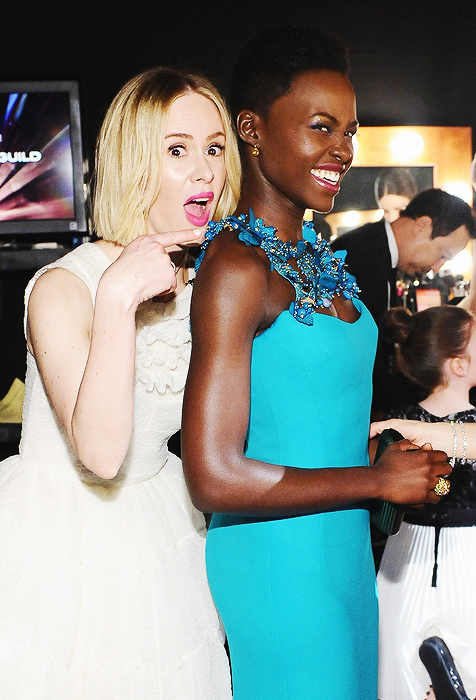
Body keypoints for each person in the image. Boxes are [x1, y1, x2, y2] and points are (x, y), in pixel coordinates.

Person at [180, 25, 450, 700]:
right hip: (279, 565)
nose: (343, 151)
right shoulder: (236, 268)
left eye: (349, 132)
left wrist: (382, 457)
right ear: (252, 129)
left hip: (342, 556)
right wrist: (375, 480)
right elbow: (212, 476)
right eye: (321, 127)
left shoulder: (319, 259)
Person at [0, 67, 241, 699]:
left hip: (160, 525)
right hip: (54, 544)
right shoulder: (64, 286)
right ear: (132, 161)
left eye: (214, 148)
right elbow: (98, 455)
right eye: (176, 150)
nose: (204, 171)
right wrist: (118, 295)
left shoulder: (207, 281)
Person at [376, 305, 476, 700]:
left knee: (398, 658)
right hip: (465, 553)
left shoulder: (401, 420)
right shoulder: (470, 426)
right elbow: (443, 487)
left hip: (405, 549)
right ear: (458, 365)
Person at [331, 188, 476, 417]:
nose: (437, 267)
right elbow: (361, 359)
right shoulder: (359, 256)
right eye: (443, 254)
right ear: (423, 226)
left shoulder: (380, 253)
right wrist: (428, 404)